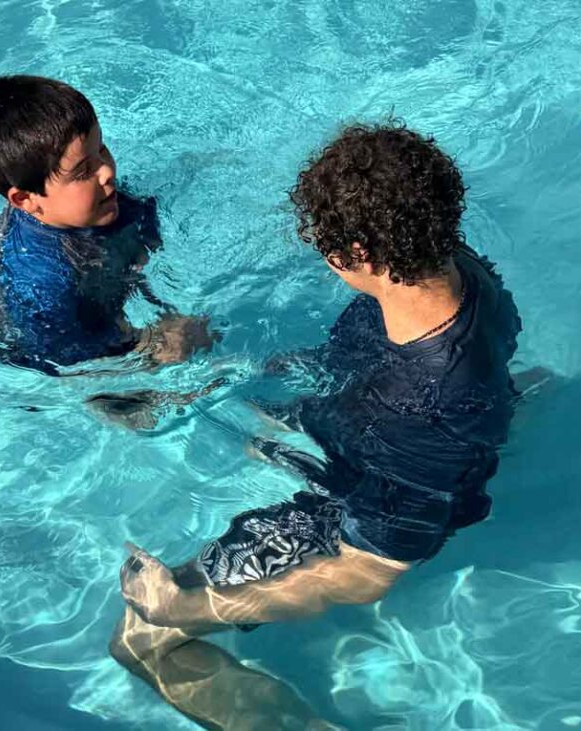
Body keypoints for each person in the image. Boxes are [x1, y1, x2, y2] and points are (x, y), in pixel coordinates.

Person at [109, 123, 523, 729]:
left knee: (137, 643)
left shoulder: (419, 413)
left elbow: (370, 571)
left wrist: (197, 606)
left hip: (353, 501)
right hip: (398, 420)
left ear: (355, 257)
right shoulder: (456, 263)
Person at [0, 75, 215, 376]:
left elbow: (144, 232)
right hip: (48, 363)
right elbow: (70, 364)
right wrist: (149, 343)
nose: (107, 171)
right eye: (83, 171)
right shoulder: (38, 284)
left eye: (103, 150)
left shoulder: (105, 204)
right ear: (25, 200)